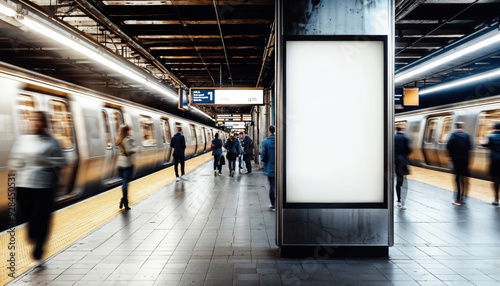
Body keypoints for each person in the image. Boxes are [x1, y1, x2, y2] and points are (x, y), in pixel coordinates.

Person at [8, 111, 67, 267]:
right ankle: (34, 236)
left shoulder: (53, 142)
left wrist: (47, 162)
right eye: (33, 120)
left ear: (45, 123)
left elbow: (63, 162)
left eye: (40, 121)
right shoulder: (22, 141)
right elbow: (14, 163)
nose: (36, 123)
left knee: (41, 218)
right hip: (24, 186)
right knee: (28, 217)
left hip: (44, 187)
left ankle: (39, 248)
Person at [446, 122, 471, 206]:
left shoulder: (453, 134)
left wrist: (450, 157)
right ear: (462, 127)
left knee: (457, 179)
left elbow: (448, 146)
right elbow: (470, 147)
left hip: (456, 159)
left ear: (456, 127)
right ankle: (464, 195)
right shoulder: (467, 135)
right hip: (465, 160)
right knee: (464, 178)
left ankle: (457, 199)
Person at [116, 124, 138, 210]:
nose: (130, 132)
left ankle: (123, 199)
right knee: (126, 183)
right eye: (129, 130)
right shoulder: (126, 140)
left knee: (124, 183)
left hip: (120, 164)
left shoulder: (119, 139)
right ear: (126, 131)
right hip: (127, 163)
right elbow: (129, 151)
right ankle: (125, 202)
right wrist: (135, 149)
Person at [482, 122, 500, 206]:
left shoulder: (491, 136)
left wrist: (482, 143)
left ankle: (496, 198)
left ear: (494, 128)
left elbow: (487, 145)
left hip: (494, 161)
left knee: (495, 179)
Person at [394, 126, 411, 210]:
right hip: (403, 161)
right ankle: (403, 203)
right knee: (404, 181)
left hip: (396, 161)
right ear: (402, 130)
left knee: (398, 180)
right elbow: (408, 150)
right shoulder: (405, 137)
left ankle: (398, 201)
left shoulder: (393, 137)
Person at [261, 125, 276, 211]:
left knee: (272, 186)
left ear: (269, 132)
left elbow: (263, 156)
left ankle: (273, 205)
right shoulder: (280, 141)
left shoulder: (265, 142)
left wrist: (264, 162)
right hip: (281, 169)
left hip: (270, 167)